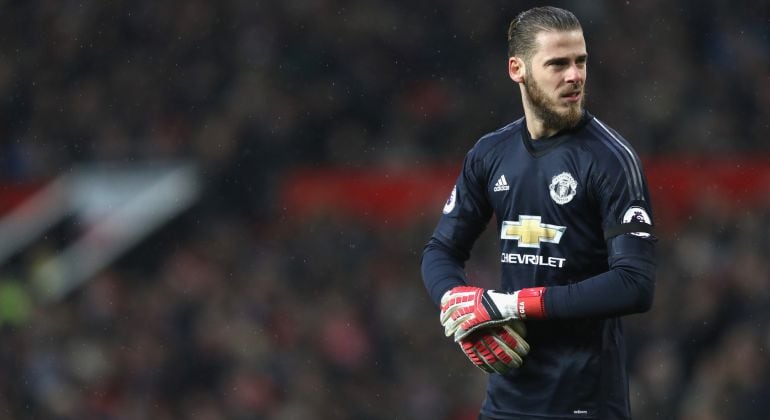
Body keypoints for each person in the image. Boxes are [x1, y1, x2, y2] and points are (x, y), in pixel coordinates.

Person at [420, 6, 657, 419]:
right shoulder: (491, 154)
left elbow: (635, 284)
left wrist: (512, 306)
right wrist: (457, 304)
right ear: (518, 69)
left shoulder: (611, 160)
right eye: (558, 64)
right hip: (506, 403)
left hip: (585, 404)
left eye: (580, 61)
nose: (574, 76)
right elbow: (440, 249)